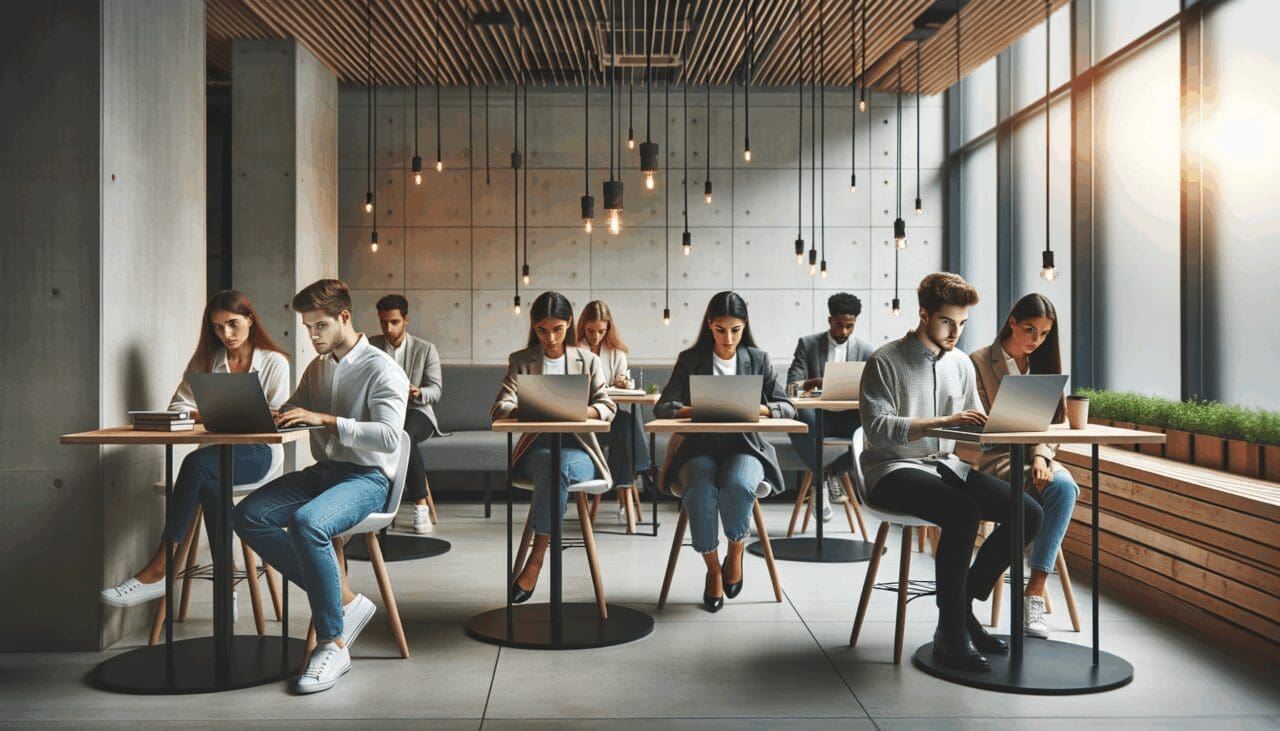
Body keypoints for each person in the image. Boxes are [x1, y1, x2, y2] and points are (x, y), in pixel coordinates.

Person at [859, 272, 1043, 672]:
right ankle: (951, 631)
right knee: (963, 512)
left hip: (946, 466)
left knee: (1028, 512)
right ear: (924, 315)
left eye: (962, 324)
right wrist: (945, 420)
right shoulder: (884, 360)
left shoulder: (960, 364)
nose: (956, 331)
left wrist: (999, 427)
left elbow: (970, 433)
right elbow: (877, 430)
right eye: (947, 322)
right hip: (891, 468)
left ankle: (961, 608)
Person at [233, 279, 409, 694]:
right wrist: (269, 413)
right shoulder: (319, 366)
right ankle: (346, 601)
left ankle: (332, 643)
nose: (311, 336)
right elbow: (297, 408)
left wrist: (325, 420)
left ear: (344, 318)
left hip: (367, 478)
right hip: (325, 472)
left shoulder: (384, 369)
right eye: (307, 327)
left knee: (308, 522)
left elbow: (388, 437)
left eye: (319, 326)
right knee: (247, 515)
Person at [100, 290, 290, 609]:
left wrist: (212, 411)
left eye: (232, 324)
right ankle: (225, 589)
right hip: (215, 457)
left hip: (258, 454)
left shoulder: (274, 362)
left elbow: (276, 415)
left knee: (196, 463)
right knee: (210, 485)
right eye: (217, 327)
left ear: (250, 320)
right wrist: (212, 413)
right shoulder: (206, 361)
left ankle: (161, 566)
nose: (226, 334)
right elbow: (177, 407)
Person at [655, 291, 795, 613]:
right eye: (720, 330)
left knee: (739, 484)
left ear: (744, 326)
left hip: (745, 447)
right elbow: (662, 407)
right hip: (699, 448)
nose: (728, 339)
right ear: (709, 326)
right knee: (700, 492)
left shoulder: (758, 359)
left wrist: (760, 408)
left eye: (735, 330)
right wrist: (692, 410)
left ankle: (735, 551)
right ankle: (713, 569)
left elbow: (787, 407)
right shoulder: (691, 360)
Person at [492, 291, 616, 603]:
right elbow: (500, 407)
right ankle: (538, 554)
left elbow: (607, 406)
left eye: (558, 329)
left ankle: (536, 557)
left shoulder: (587, 360)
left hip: (579, 448)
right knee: (552, 465)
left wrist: (577, 409)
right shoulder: (522, 361)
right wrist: (529, 406)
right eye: (542, 331)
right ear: (534, 328)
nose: (550, 338)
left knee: (559, 465)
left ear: (570, 324)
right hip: (536, 447)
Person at [969, 293, 1079, 639]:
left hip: (1035, 458)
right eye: (1030, 330)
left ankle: (1034, 592)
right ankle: (973, 590)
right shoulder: (979, 362)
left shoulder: (1043, 365)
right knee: (1031, 505)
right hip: (995, 458)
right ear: (1012, 321)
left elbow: (1053, 427)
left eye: (1044, 334)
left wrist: (1041, 456)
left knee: (1064, 487)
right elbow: (978, 425)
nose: (1035, 341)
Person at [786, 292, 875, 521]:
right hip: (818, 418)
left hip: (849, 418)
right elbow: (791, 387)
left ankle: (829, 473)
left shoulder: (866, 351)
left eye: (850, 326)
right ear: (829, 320)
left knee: (873, 425)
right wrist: (814, 383)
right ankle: (825, 479)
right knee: (797, 419)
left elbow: (874, 391)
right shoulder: (808, 344)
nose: (844, 331)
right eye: (839, 324)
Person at [369, 294, 445, 534]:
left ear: (406, 320)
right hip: (382, 412)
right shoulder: (371, 346)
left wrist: (417, 392)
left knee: (404, 437)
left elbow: (436, 390)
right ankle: (372, 504)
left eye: (394, 322)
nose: (388, 329)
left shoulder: (425, 349)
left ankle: (420, 506)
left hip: (417, 412)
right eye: (383, 322)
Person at [577, 300, 651, 523]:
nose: (595, 336)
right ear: (583, 327)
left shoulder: (616, 353)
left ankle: (621, 480)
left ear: (608, 328)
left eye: (601, 331)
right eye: (590, 331)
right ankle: (632, 477)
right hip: (586, 422)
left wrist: (622, 383)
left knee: (625, 424)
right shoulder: (573, 351)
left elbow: (622, 380)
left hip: (609, 419)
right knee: (626, 426)